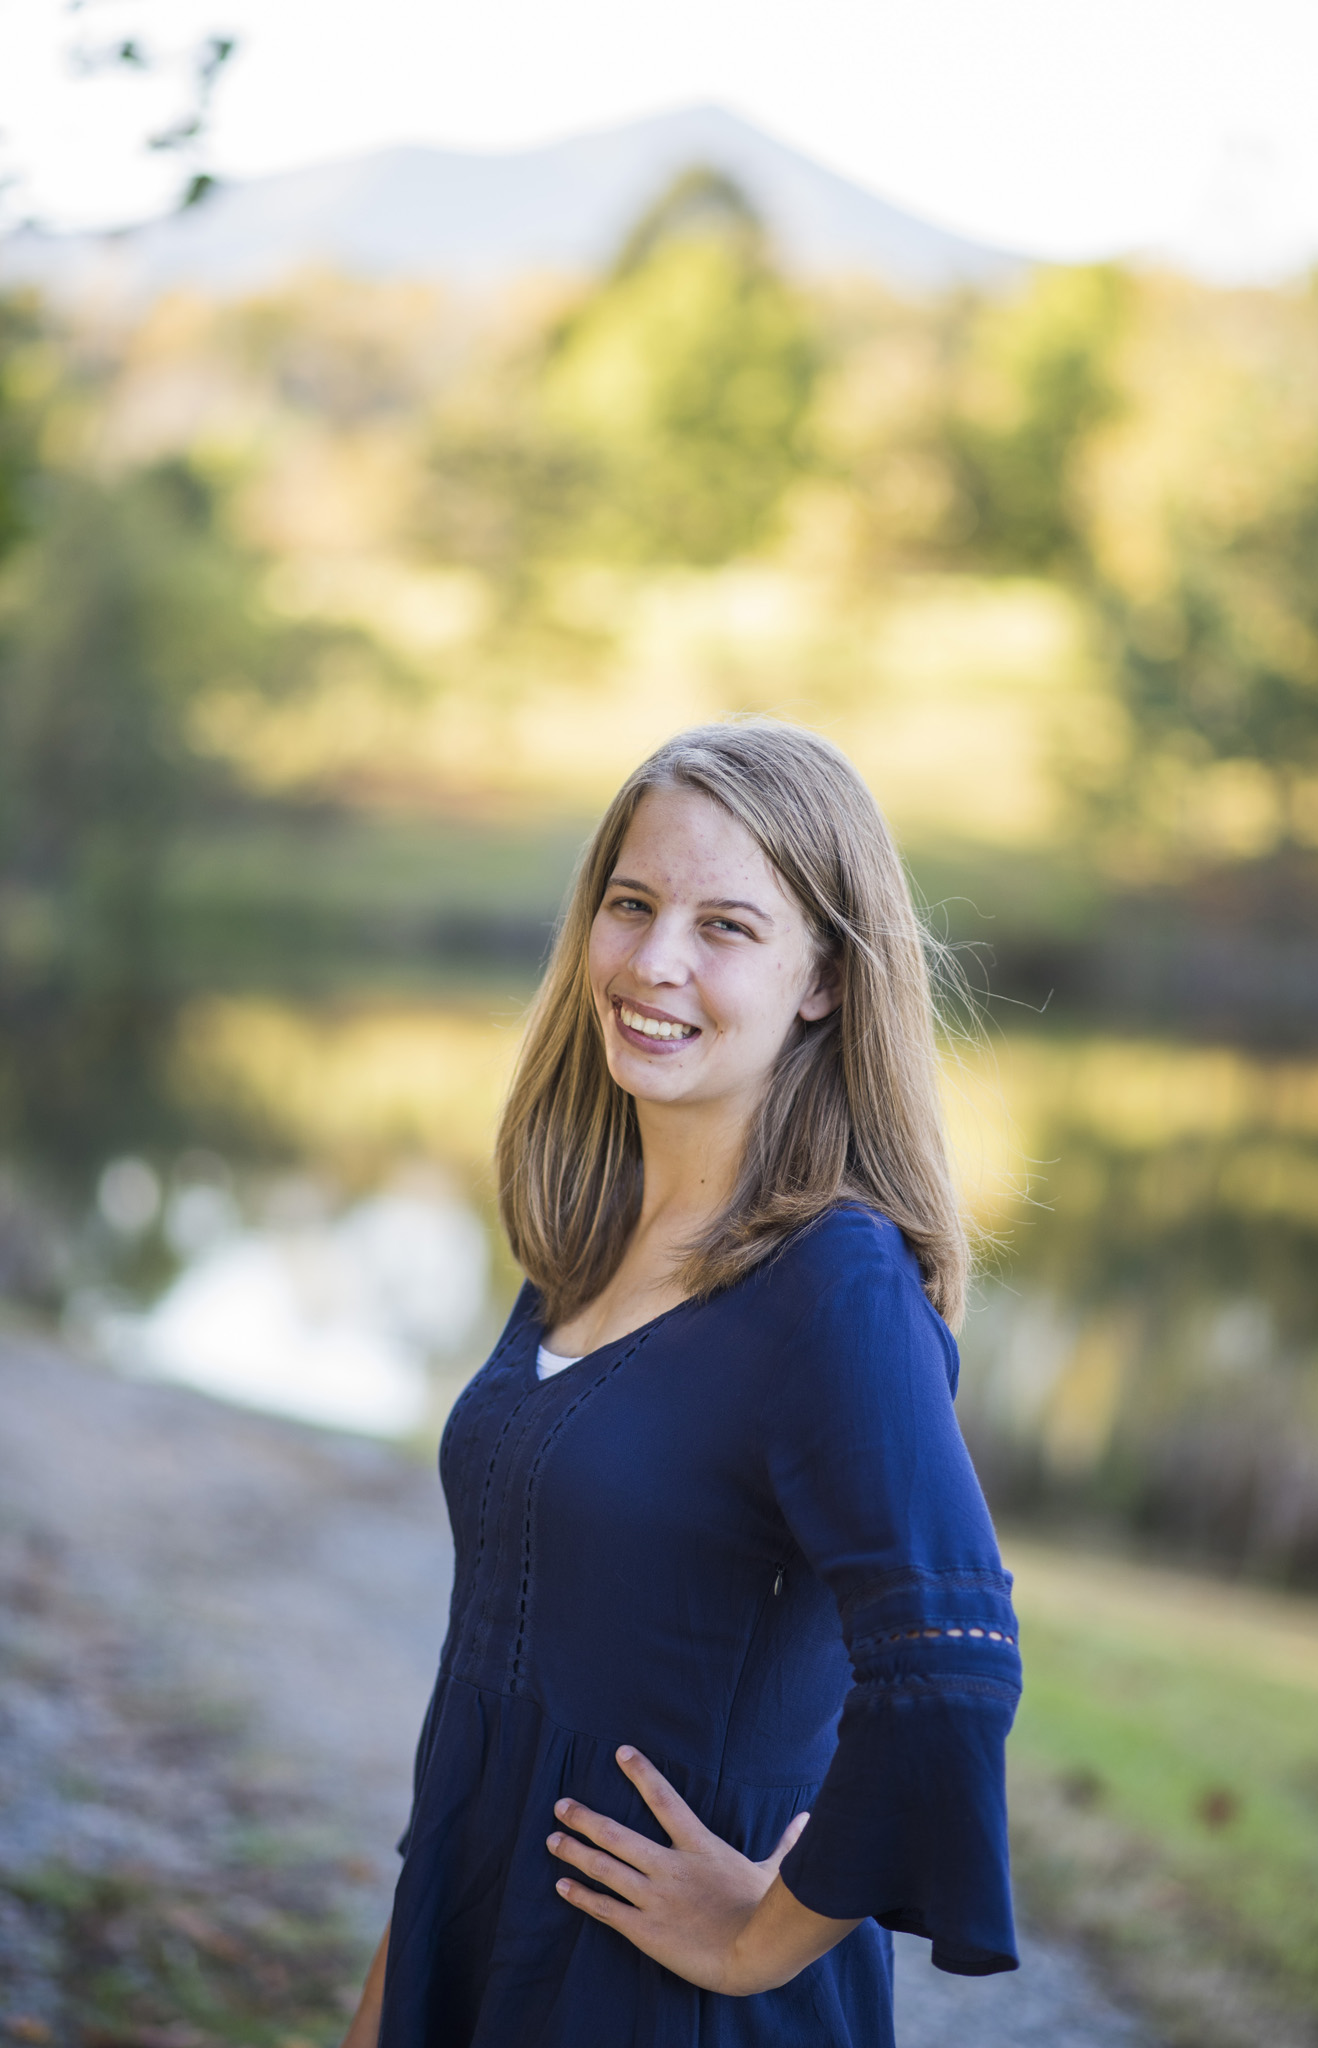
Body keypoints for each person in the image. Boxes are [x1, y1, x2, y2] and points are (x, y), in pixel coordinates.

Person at [342, 720, 1021, 2048]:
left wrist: (760, 1932)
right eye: (633, 904)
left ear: (822, 978)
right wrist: (390, 2001)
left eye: (727, 926)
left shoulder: (836, 1285)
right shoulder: (587, 1244)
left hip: (660, 2003)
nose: (654, 962)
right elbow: (493, 1691)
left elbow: (950, 1671)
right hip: (478, 1956)